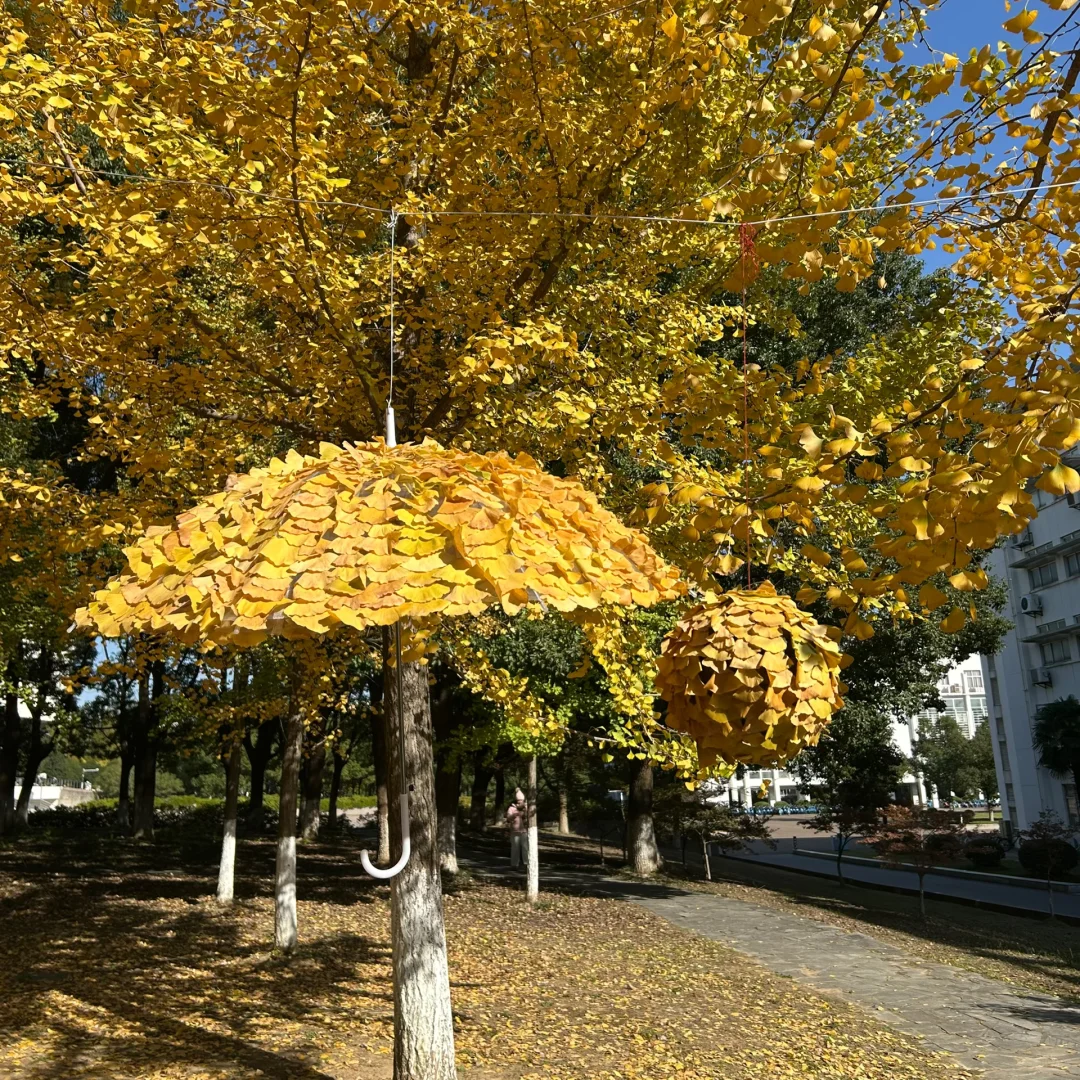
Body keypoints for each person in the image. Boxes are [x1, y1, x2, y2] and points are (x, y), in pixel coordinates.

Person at [506, 788, 528, 869]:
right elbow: (508, 818)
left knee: (525, 848)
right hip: (515, 831)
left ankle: (526, 864)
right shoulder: (511, 808)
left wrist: (526, 810)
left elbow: (530, 817)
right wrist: (514, 815)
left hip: (524, 831)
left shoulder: (526, 808)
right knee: (515, 849)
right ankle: (514, 864)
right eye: (518, 800)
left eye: (521, 800)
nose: (519, 802)